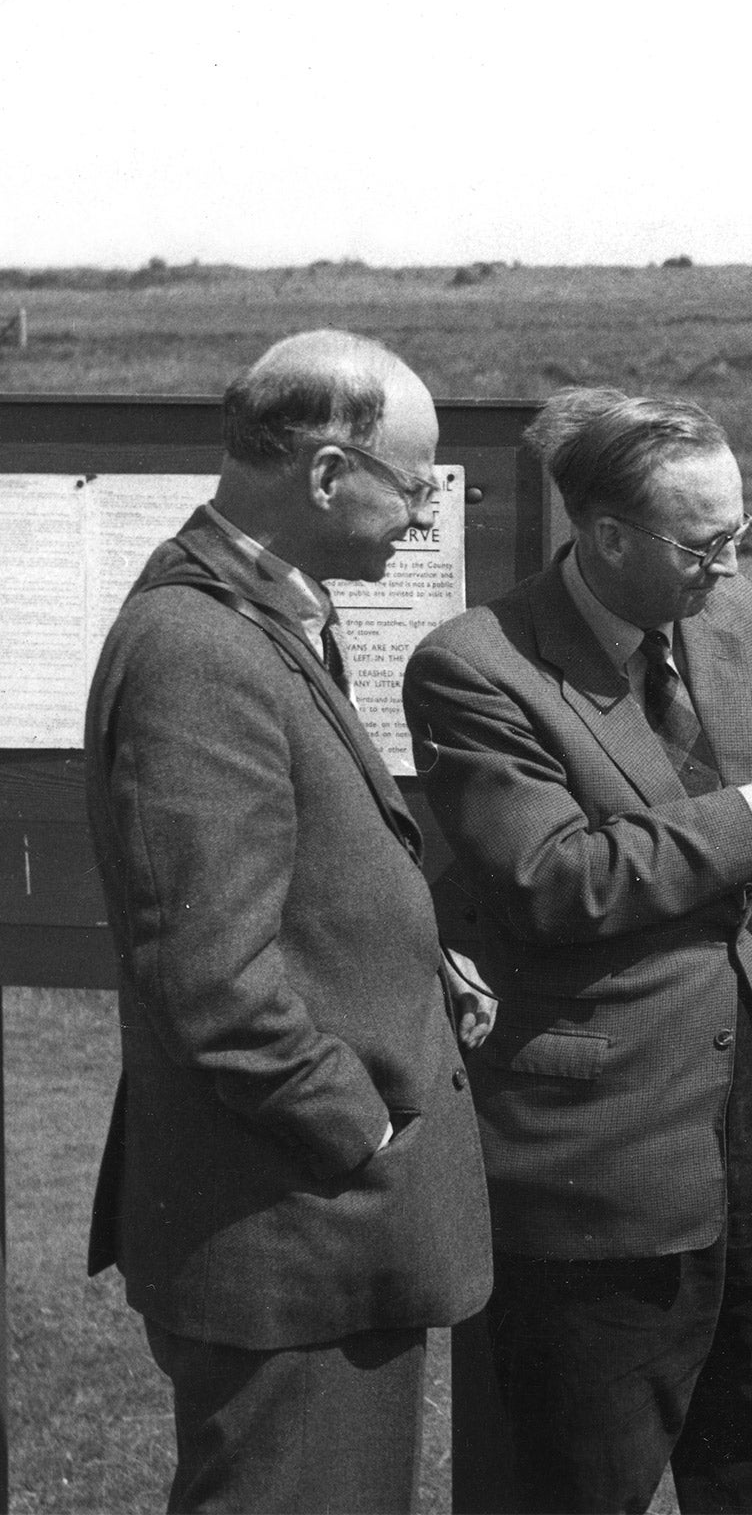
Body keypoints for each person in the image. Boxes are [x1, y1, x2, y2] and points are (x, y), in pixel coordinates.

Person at [402, 388, 752, 1513]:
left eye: (740, 534)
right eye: (703, 542)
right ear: (607, 535)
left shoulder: (735, 615)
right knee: (578, 1479)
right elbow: (550, 879)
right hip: (600, 1152)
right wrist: (749, 819)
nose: (727, 565)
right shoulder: (474, 668)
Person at [83, 330, 494, 1512]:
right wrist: (360, 1130)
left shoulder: (255, 613)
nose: (421, 516)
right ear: (324, 477)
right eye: (412, 484)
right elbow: (208, 976)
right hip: (296, 1233)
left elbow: (293, 876)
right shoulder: (202, 649)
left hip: (309, 1235)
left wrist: (415, 960)